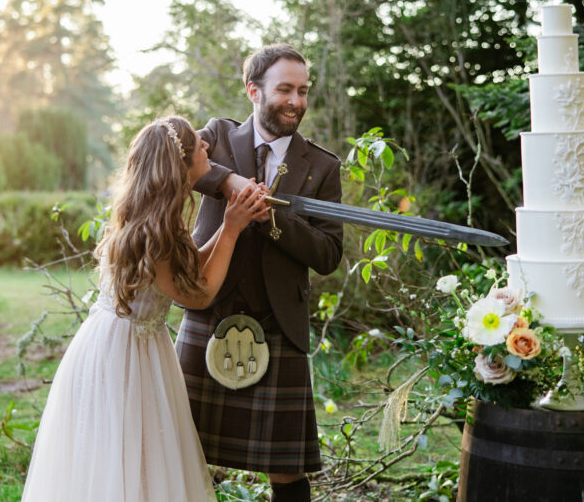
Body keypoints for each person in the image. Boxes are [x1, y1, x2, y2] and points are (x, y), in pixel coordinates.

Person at [21, 116, 268, 502]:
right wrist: (233, 229)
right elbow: (197, 293)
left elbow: (186, 270)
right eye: (199, 145)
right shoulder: (159, 228)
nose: (207, 147)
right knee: (127, 455)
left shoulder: (153, 214)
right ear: (181, 163)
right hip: (125, 355)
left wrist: (229, 220)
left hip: (120, 342)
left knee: (130, 456)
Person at [175, 44, 344, 502]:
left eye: (303, 91)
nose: (296, 101)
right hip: (207, 310)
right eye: (285, 89)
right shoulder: (217, 137)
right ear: (254, 90)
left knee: (287, 471)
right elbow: (182, 168)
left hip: (278, 326)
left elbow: (329, 253)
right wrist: (232, 183)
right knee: (182, 449)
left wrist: (273, 218)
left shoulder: (322, 165)